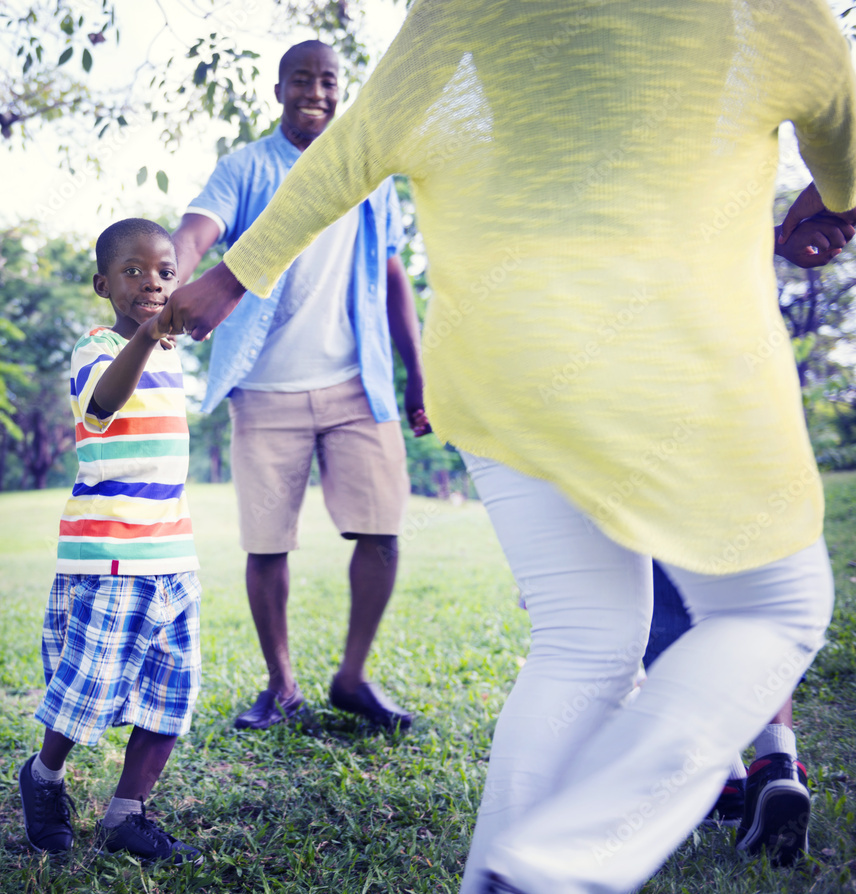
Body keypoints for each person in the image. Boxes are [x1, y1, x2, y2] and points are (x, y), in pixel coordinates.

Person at [165, 2, 856, 893]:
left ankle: (498, 879)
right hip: (663, 354)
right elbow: (845, 155)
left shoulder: (459, 9)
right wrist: (832, 202)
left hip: (501, 363)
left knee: (585, 641)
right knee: (778, 606)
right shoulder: (768, 11)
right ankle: (567, 858)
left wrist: (230, 278)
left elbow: (354, 148)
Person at [170, 40, 428, 733]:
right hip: (265, 389)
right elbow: (200, 229)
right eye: (302, 80)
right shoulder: (247, 166)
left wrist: (416, 372)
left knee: (381, 532)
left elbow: (395, 277)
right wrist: (174, 271)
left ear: (341, 89)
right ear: (279, 89)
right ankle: (281, 685)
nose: (316, 91)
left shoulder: (369, 175)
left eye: (328, 80)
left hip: (358, 383)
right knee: (267, 543)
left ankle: (352, 678)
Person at [641, 212, 856, 863]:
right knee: (751, 601)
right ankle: (772, 765)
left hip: (644, 398)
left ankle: (725, 774)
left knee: (661, 601)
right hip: (739, 396)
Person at [18, 218, 202, 865]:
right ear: (103, 284)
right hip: (109, 555)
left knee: (171, 692)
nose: (150, 281)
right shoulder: (95, 348)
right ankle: (43, 778)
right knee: (86, 688)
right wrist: (148, 336)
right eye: (133, 271)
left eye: (163, 271)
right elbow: (101, 406)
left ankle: (127, 814)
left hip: (173, 554)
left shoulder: (176, 353)